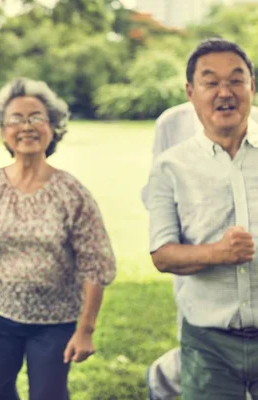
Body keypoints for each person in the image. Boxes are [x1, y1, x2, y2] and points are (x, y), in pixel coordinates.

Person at [0, 77, 117, 400]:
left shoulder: (72, 192)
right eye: (16, 119)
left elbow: (97, 265)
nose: (27, 126)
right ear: (3, 132)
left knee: (48, 395)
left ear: (52, 127)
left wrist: (86, 330)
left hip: (55, 320)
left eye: (36, 117)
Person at [147, 38, 258, 399]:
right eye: (211, 82)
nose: (225, 91)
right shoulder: (171, 167)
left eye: (236, 80)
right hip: (207, 343)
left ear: (252, 87)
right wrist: (219, 253)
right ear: (190, 92)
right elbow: (162, 255)